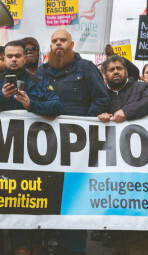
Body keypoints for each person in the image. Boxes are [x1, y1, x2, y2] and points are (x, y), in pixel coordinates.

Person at [36, 29, 109, 255]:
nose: (58, 44)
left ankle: (75, 248)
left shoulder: (86, 68)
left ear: (72, 44)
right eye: (54, 41)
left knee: (75, 196)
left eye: (63, 40)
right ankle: (51, 242)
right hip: (47, 146)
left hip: (78, 147)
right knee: (48, 194)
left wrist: (82, 125)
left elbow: (102, 98)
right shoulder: (42, 71)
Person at [98, 55, 148, 255]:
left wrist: (126, 111)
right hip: (113, 164)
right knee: (117, 208)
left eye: (119, 68)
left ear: (126, 71)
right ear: (105, 75)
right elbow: (92, 110)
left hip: (139, 163)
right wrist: (98, 115)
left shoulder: (140, 88)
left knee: (138, 209)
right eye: (111, 69)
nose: (115, 71)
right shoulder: (101, 94)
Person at [0, 40, 63, 117]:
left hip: (32, 129)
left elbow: (58, 106)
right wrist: (2, 96)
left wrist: (30, 104)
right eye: (10, 56)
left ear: (25, 58)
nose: (14, 59)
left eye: (18, 56)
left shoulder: (38, 81)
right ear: (5, 59)